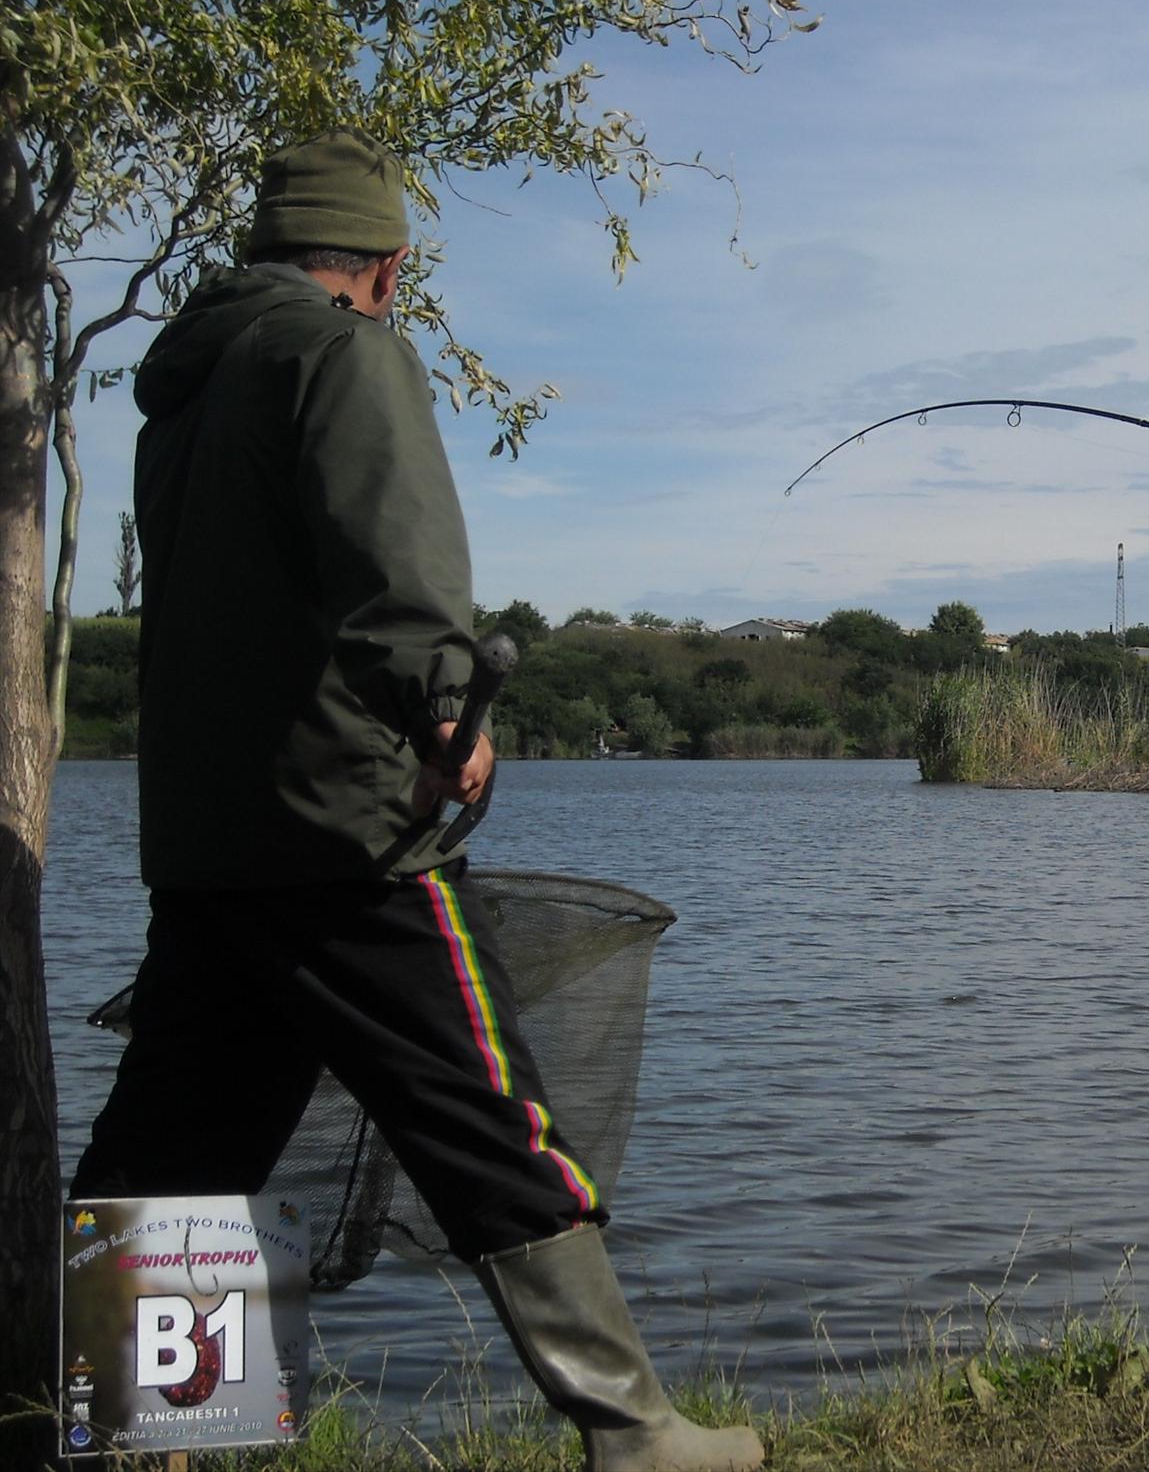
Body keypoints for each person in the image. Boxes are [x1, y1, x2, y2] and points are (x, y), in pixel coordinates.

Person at [69, 127, 763, 1472]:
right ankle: (636, 1437)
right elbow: (392, 560)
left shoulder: (183, 397)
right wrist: (448, 711)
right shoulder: (344, 353)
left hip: (209, 848)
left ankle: (130, 1444)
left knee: (169, 1152)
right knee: (491, 1112)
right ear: (386, 267)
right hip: (347, 840)